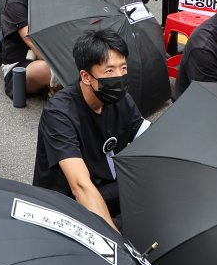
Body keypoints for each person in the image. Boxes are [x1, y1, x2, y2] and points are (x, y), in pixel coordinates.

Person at [32, 28, 145, 229]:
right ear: (86, 76)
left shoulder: (121, 100)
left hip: (107, 187)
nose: (119, 77)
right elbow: (80, 187)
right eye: (110, 71)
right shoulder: (59, 113)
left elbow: (150, 140)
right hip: (67, 202)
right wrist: (114, 241)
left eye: (124, 68)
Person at [0, 0, 57, 98]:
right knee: (47, 69)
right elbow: (32, 42)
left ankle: (57, 85)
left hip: (54, 53)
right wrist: (64, 65)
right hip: (22, 63)